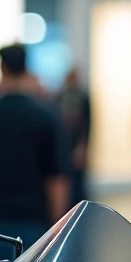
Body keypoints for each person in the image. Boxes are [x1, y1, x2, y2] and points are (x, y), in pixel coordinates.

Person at [0, 45, 69, 262]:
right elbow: (56, 178)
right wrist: (58, 228)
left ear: (2, 69)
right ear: (26, 68)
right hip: (31, 221)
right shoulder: (46, 116)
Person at [57, 68, 92, 206]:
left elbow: (87, 124)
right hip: (65, 143)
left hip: (77, 142)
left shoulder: (82, 97)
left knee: (79, 176)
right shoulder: (61, 96)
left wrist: (83, 146)